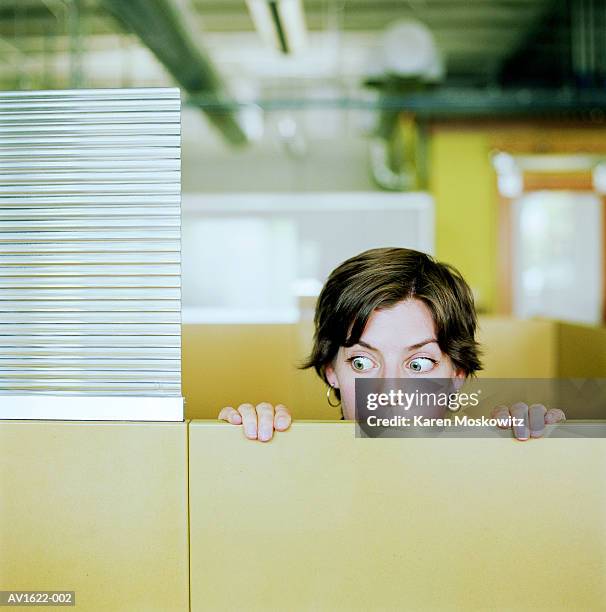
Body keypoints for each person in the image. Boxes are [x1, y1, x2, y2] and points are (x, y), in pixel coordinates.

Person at [218, 247, 565, 441]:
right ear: (330, 370)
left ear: (457, 374)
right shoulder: (298, 470)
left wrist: (528, 459)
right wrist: (246, 447)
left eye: (418, 364)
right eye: (362, 363)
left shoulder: (484, 477)